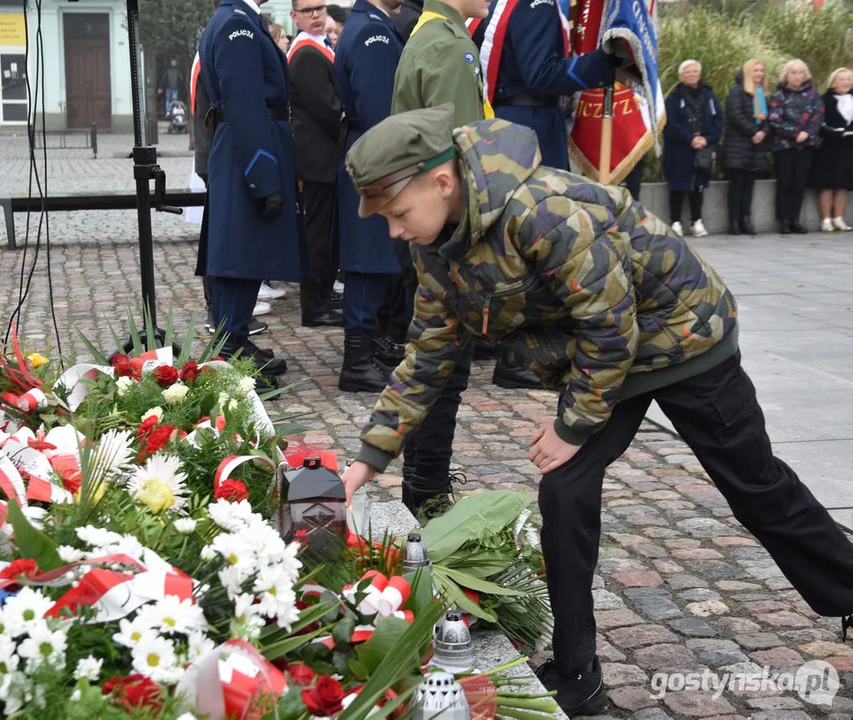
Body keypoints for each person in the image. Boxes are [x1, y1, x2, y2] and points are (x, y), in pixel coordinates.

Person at [340, 103, 853, 717]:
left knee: (753, 485)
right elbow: (427, 356)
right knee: (564, 489)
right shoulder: (438, 247)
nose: (396, 231)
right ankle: (577, 672)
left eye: (398, 214)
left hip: (686, 336)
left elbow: (609, 326)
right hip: (610, 357)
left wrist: (571, 426)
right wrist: (366, 462)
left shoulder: (544, 211)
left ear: (442, 182)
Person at [389, 0, 492, 515]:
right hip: (449, 230)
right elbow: (466, 156)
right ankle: (426, 500)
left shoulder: (427, 34)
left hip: (426, 220)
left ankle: (421, 490)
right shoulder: (451, 45)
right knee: (444, 374)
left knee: (436, 367)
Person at [198, 0, 308, 381]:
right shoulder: (237, 24)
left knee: (243, 255)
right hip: (250, 151)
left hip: (245, 148)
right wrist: (263, 176)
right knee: (240, 257)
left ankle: (234, 338)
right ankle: (228, 351)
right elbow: (245, 104)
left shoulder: (238, 19)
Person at [336, 0, 407, 392]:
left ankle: (364, 353)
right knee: (367, 261)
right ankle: (357, 360)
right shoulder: (372, 31)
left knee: (373, 259)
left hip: (368, 152)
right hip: (376, 156)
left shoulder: (368, 23)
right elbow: (380, 111)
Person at [473, 0, 615, 171]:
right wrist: (603, 63)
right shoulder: (535, 3)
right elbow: (541, 74)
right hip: (533, 128)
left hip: (505, 121)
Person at [288, 0, 344, 328]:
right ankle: (315, 306)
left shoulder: (318, 46)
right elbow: (326, 108)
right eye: (308, 10)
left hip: (321, 156)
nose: (316, 15)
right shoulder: (307, 52)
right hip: (317, 158)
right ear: (294, 16)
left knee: (325, 234)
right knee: (318, 236)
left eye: (320, 8)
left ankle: (322, 295)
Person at [662, 59, 722, 238]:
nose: (692, 75)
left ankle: (697, 221)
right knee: (677, 187)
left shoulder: (710, 96)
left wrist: (707, 139)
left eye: (695, 71)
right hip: (679, 150)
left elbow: (718, 121)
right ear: (681, 76)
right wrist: (690, 138)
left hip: (702, 150)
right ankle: (675, 221)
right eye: (687, 72)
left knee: (699, 187)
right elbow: (670, 124)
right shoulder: (674, 98)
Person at [769, 59, 823, 235]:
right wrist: (794, 134)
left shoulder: (813, 94)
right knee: (785, 183)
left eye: (800, 72)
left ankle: (795, 219)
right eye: (793, 72)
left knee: (799, 184)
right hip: (784, 145)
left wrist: (806, 133)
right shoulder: (779, 95)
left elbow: (818, 116)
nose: (797, 76)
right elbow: (775, 119)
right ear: (787, 75)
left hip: (806, 145)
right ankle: (783, 220)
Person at [722, 59, 770, 236]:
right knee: (738, 185)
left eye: (761, 70)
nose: (759, 73)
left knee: (749, 185)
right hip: (739, 144)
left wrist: (763, 132)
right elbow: (735, 115)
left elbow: (767, 118)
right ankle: (734, 221)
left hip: (756, 147)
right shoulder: (737, 91)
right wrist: (753, 132)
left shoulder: (761, 93)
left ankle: (746, 219)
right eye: (756, 70)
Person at [811, 67, 853, 233]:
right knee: (827, 184)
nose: (845, 82)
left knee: (844, 184)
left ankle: (839, 218)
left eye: (848, 79)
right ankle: (826, 219)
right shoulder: (824, 100)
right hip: (829, 147)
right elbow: (819, 124)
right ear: (834, 81)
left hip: (849, 147)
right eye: (842, 79)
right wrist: (837, 133)